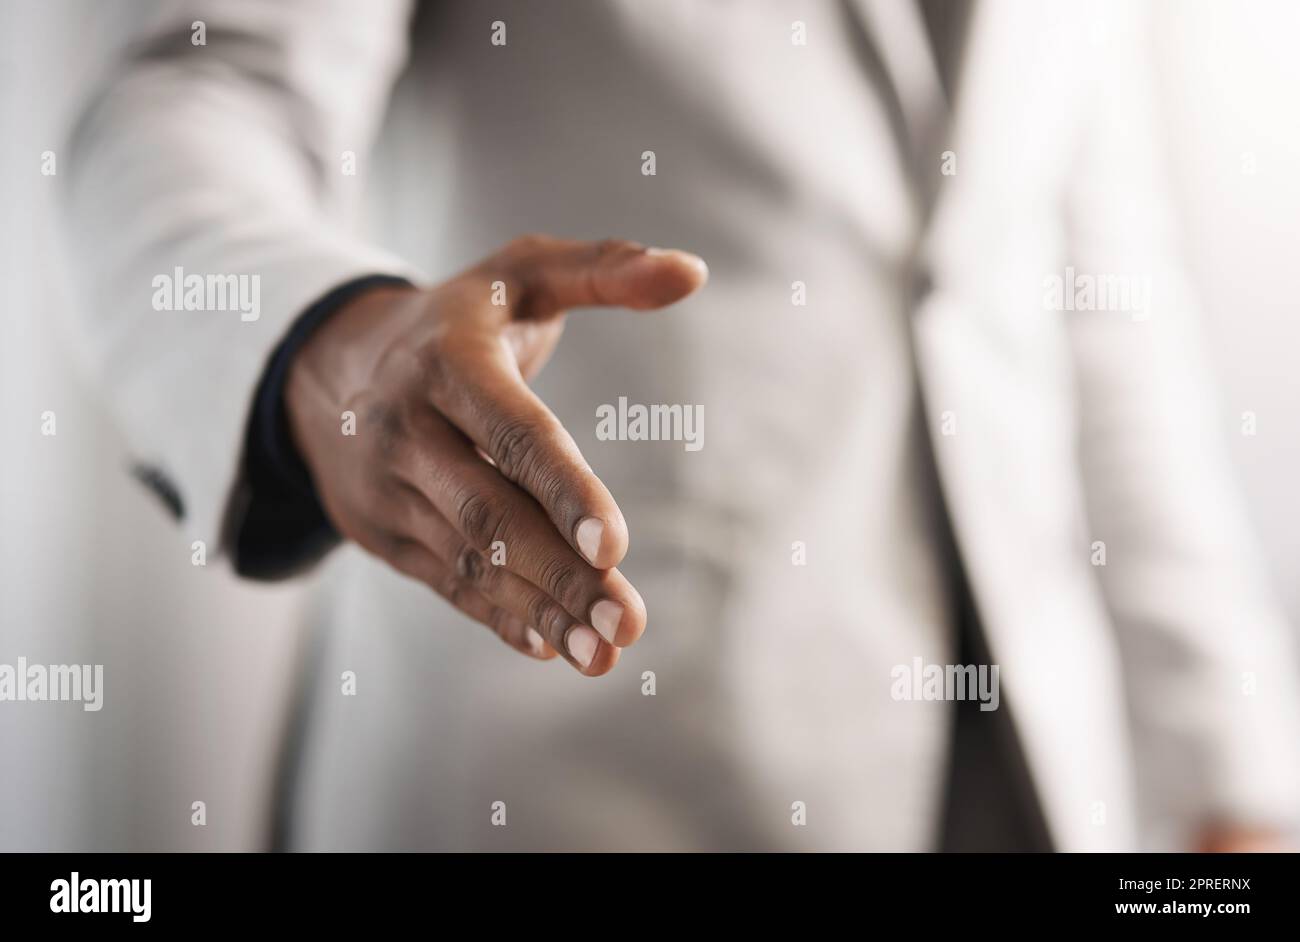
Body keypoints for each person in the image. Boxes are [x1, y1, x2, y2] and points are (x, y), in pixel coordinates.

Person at [61, 0, 1300, 851]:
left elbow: (1095, 300)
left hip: (1038, 785)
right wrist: (327, 345)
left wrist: (1226, 783)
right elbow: (202, 83)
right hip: (579, 781)